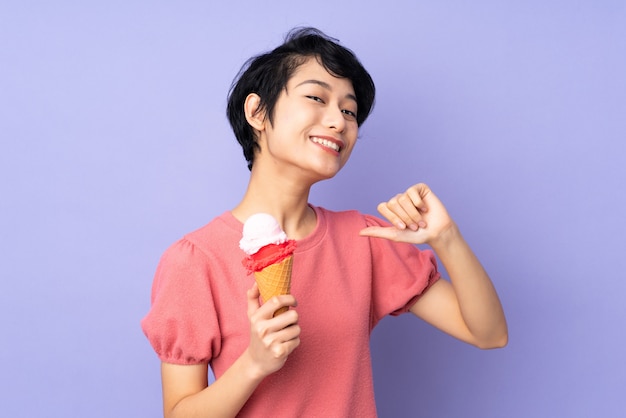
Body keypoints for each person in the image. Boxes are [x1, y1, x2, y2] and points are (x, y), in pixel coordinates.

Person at [141, 27, 507, 418]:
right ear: (257, 112)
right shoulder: (195, 260)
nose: (339, 121)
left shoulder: (366, 239)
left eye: (349, 111)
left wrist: (446, 238)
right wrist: (254, 365)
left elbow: (489, 333)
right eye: (316, 98)